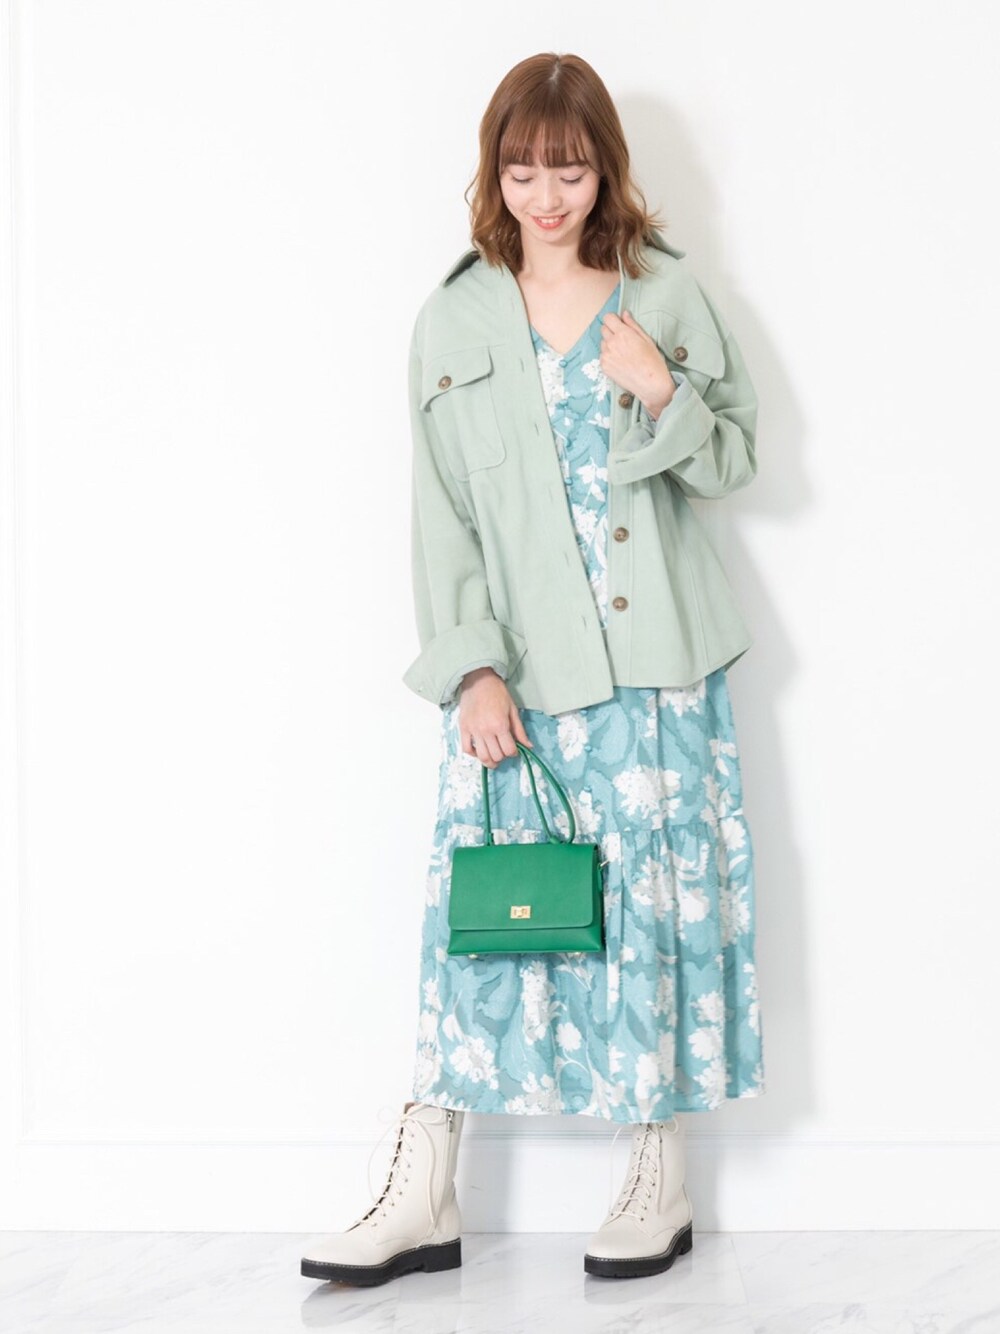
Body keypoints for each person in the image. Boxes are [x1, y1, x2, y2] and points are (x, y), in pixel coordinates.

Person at [301, 50, 765, 1288]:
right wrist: (470, 668)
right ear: (492, 172)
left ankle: (656, 1169)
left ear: (604, 167)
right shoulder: (452, 319)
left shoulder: (663, 293)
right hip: (514, 671)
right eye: (521, 170)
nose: (546, 196)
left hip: (656, 666)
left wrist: (660, 388)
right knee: (480, 917)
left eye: (568, 169)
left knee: (647, 911)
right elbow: (440, 515)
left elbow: (733, 461)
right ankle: (424, 1181)